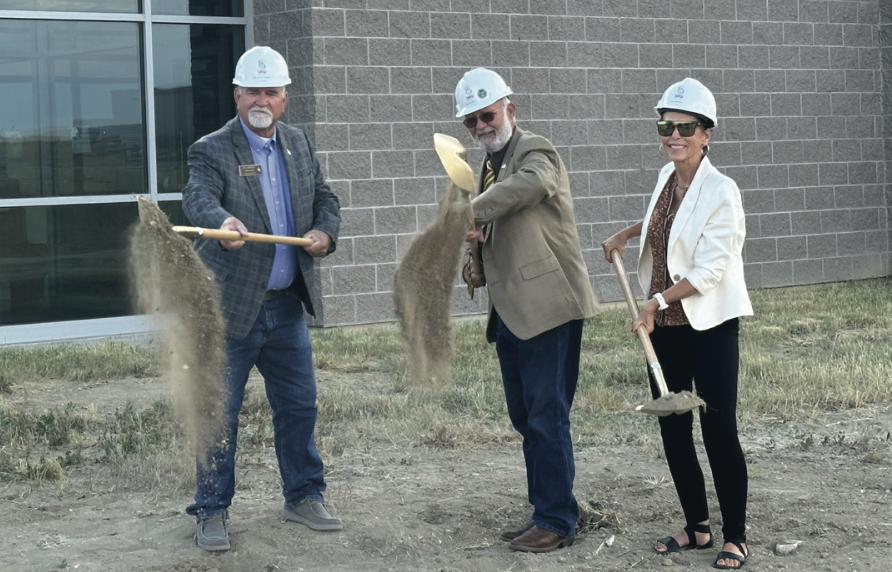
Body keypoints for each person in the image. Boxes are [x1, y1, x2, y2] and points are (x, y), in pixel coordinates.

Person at [181, 46, 342, 552]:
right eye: (253, 91)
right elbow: (197, 197)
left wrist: (324, 231)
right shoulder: (211, 149)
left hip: (286, 306)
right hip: (229, 309)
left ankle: (303, 496)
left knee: (298, 406)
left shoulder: (298, 143)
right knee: (218, 414)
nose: (261, 100)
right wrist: (221, 222)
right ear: (237, 95)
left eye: (271, 92)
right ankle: (211, 510)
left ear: (284, 98)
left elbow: (325, 197)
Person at [601, 78, 753, 570]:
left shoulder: (722, 191)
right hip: (665, 325)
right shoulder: (666, 178)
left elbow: (709, 270)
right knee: (673, 426)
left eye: (686, 128)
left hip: (708, 325)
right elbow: (663, 225)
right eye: (666, 126)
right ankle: (697, 527)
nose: (674, 135)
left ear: (707, 134)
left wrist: (655, 302)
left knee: (718, 429)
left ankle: (736, 536)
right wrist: (628, 233)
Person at [456, 67, 598, 553]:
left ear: (510, 110)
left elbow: (531, 185)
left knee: (546, 415)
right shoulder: (488, 168)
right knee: (526, 416)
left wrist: (471, 209)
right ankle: (546, 510)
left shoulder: (536, 151)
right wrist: (474, 266)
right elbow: (493, 229)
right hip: (510, 310)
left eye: (487, 115)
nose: (481, 126)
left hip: (548, 307)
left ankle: (557, 520)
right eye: (471, 121)